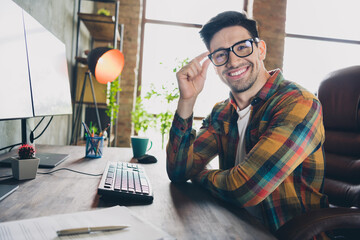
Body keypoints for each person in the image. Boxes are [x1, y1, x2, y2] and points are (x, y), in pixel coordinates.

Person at [166, 11, 328, 236]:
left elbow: (247, 188)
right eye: (221, 54)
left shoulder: (298, 103)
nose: (233, 61)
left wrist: (199, 175)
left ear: (260, 49)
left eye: (242, 47)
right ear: (214, 64)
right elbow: (178, 170)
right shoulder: (222, 112)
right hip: (234, 226)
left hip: (284, 234)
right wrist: (187, 100)